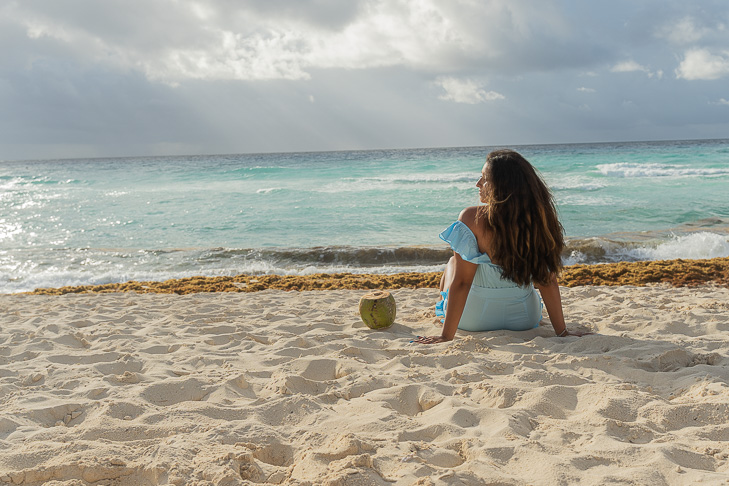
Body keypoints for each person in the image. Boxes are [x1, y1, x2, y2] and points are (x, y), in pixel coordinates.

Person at [414, 149, 590, 344]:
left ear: (502, 185)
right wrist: (562, 332)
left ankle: (442, 308)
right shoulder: (539, 221)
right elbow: (547, 281)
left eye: (484, 178)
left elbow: (463, 282)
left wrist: (446, 336)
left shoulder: (471, 218)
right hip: (524, 318)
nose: (478, 184)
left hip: (473, 318)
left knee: (452, 265)